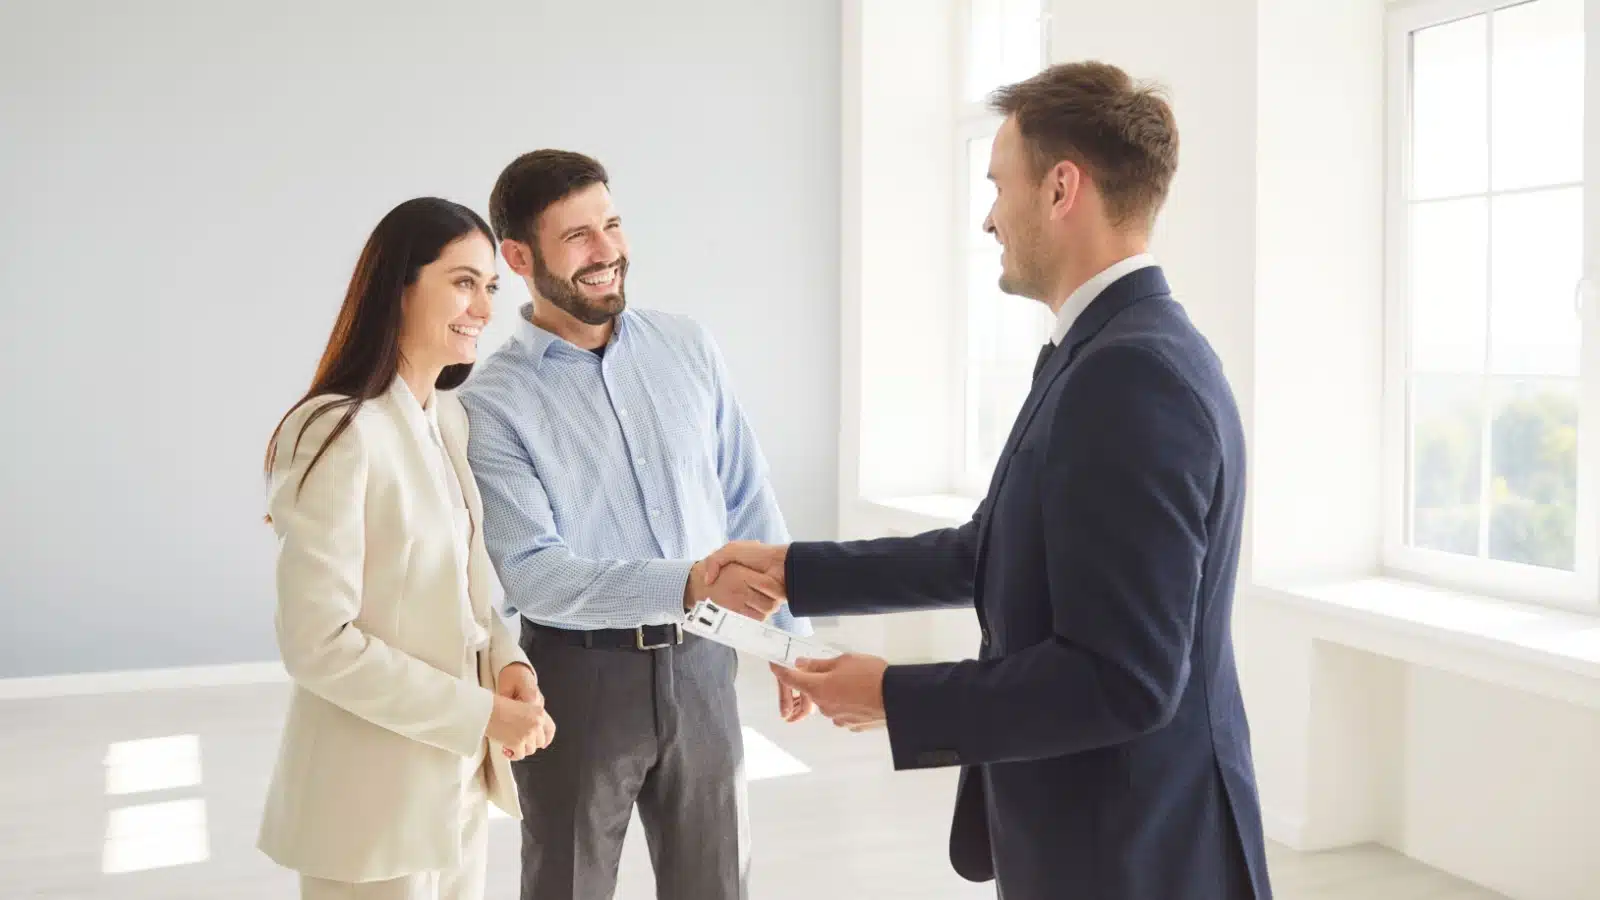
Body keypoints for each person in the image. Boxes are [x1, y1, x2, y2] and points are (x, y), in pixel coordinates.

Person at [704, 62, 1273, 900]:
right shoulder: (1104, 352)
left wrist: (896, 696)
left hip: (1133, 853)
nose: (987, 217)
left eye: (998, 185)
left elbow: (1124, 678)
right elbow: (993, 549)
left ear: (1060, 189)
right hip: (1104, 836)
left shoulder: (1131, 375)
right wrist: (794, 570)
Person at [459, 149, 807, 900]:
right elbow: (535, 576)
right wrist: (688, 581)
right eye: (577, 236)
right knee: (568, 885)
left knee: (717, 885)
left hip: (708, 665)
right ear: (519, 256)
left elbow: (747, 494)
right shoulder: (492, 403)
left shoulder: (688, 345)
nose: (607, 251)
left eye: (611, 225)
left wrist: (787, 635)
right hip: (579, 682)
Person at [259, 197, 557, 900]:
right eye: (462, 281)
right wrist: (481, 714)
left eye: (489, 286)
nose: (483, 306)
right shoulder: (335, 431)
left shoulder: (446, 419)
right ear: (399, 285)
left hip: (454, 794)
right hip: (368, 810)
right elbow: (317, 643)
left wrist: (505, 661)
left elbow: (464, 597)